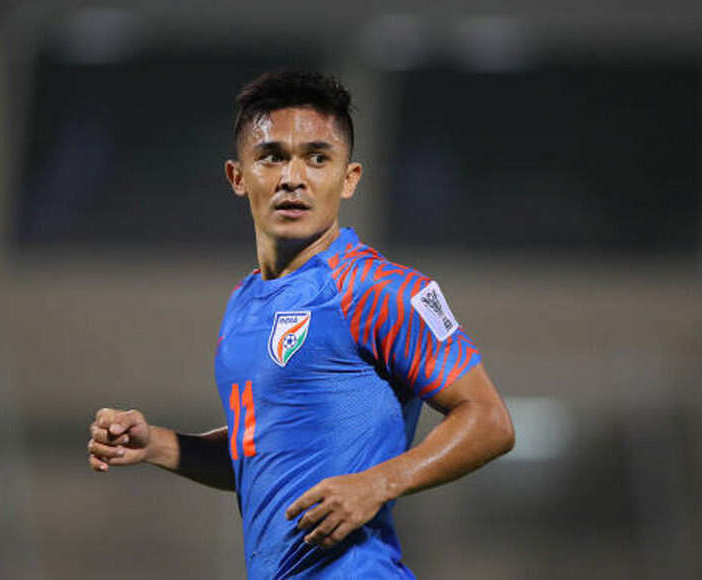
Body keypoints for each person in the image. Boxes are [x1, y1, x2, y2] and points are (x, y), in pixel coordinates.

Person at [87, 71, 515, 579]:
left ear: (349, 178)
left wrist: (378, 483)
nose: (293, 177)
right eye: (272, 157)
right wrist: (158, 444)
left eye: (317, 158)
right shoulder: (243, 303)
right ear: (237, 177)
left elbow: (490, 420)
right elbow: (260, 454)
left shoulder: (380, 289)